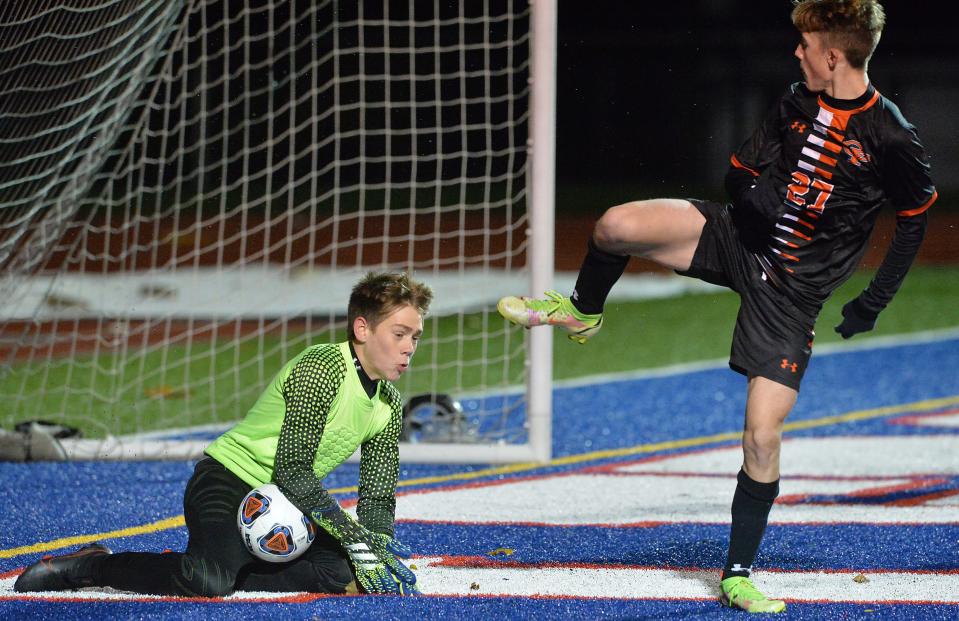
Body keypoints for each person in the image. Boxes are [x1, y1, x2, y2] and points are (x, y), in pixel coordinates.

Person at [497, 0, 935, 613]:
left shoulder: (889, 133)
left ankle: (736, 571)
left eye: (805, 45)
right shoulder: (793, 102)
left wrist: (873, 302)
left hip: (791, 297)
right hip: (735, 240)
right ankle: (583, 310)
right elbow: (737, 173)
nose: (796, 53)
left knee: (762, 436)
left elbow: (914, 221)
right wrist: (754, 196)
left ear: (833, 56)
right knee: (615, 225)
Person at [15, 271, 433, 597]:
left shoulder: (389, 404)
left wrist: (376, 548)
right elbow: (291, 469)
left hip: (284, 503)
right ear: (362, 330)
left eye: (414, 336)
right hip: (228, 479)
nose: (409, 347)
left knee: (342, 574)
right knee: (206, 581)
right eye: (399, 334)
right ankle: (94, 566)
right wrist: (352, 535)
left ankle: (235, 566)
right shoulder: (322, 368)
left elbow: (377, 495)